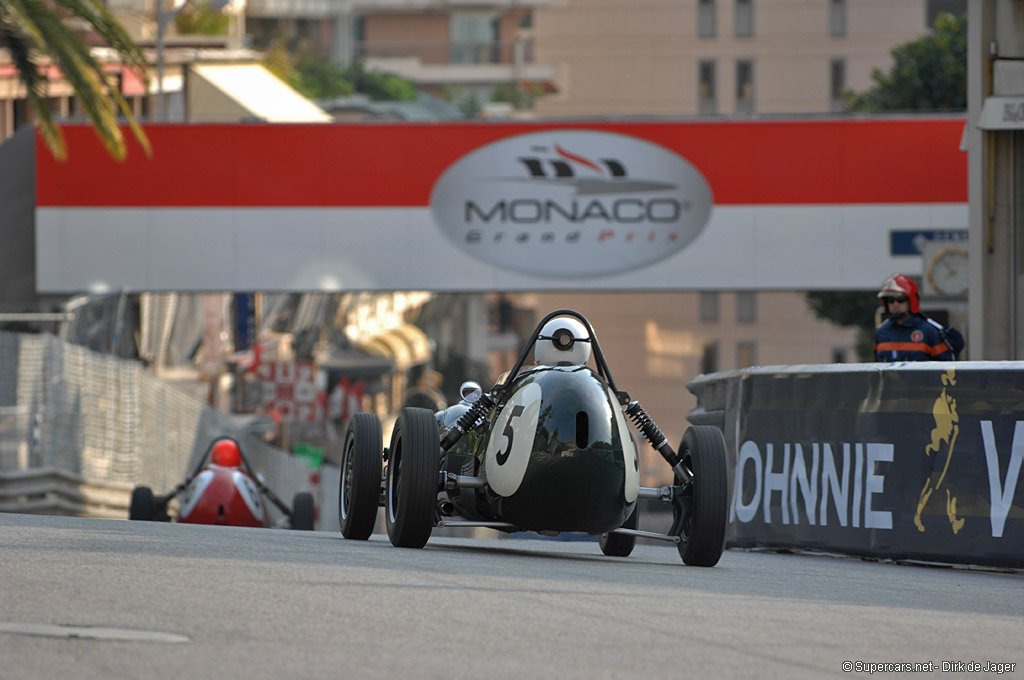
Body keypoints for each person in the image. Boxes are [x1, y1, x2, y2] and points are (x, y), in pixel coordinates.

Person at [874, 274, 964, 362]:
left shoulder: (929, 331)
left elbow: (943, 367)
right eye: (891, 300)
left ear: (911, 301)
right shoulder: (881, 331)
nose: (895, 304)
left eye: (901, 300)